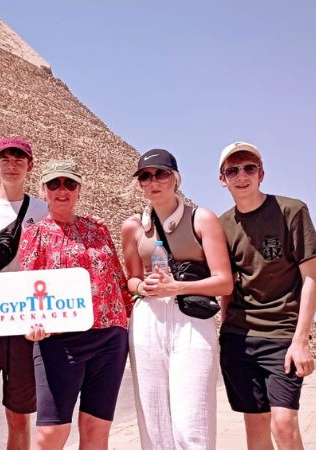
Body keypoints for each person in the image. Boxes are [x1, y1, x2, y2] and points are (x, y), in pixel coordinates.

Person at [121, 149, 233, 449]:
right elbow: (131, 280)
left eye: (161, 174)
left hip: (191, 319)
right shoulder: (133, 227)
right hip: (148, 320)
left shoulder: (201, 218)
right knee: (154, 424)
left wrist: (176, 288)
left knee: (191, 426)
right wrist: (143, 287)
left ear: (176, 179)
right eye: (145, 176)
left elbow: (224, 281)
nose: (153, 181)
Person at [217, 142, 316, 450]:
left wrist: (301, 341)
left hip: (282, 336)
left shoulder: (291, 211)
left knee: (283, 425)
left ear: (261, 173)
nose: (241, 176)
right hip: (239, 338)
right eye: (232, 170)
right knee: (255, 426)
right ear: (222, 179)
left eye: (249, 168)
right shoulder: (222, 225)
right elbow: (227, 286)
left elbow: (312, 278)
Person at [20, 160, 132, 450]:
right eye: (54, 184)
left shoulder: (98, 228)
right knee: (51, 433)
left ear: (79, 189)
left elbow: (117, 277)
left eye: (69, 184)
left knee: (96, 428)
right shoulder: (35, 234)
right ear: (43, 191)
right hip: (60, 341)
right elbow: (27, 288)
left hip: (109, 336)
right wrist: (30, 323)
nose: (62, 190)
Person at [0, 137, 48, 450]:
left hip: (23, 323)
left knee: (19, 415)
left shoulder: (44, 210)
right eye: (5, 158)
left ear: (30, 165)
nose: (12, 165)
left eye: (19, 159)